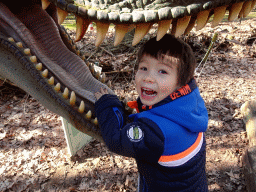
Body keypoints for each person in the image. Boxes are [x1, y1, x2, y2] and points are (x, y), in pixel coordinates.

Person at [94, 34, 208, 192]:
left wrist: (107, 104)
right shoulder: (190, 105)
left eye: (162, 71)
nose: (148, 77)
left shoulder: (154, 132)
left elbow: (116, 140)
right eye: (143, 68)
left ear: (180, 82)